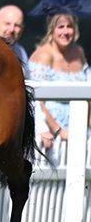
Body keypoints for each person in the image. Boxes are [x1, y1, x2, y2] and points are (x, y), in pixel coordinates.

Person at [28, 12, 88, 150]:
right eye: (61, 27)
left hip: (80, 126)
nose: (66, 32)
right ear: (52, 29)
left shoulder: (79, 52)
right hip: (50, 131)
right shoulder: (44, 55)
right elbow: (36, 99)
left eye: (70, 26)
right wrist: (58, 130)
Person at [0, 4, 29, 76]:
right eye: (7, 24)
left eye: (17, 25)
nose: (12, 29)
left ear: (22, 29)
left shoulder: (20, 51)